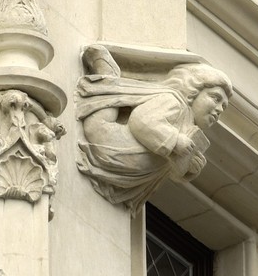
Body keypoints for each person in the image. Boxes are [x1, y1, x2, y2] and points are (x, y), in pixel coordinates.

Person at [76, 45, 233, 210]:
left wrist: (187, 168)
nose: (219, 109)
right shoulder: (174, 101)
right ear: (193, 90)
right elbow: (141, 120)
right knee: (101, 115)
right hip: (106, 138)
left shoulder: (187, 127)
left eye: (223, 106)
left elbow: (164, 164)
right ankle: (108, 74)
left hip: (123, 169)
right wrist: (176, 140)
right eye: (215, 98)